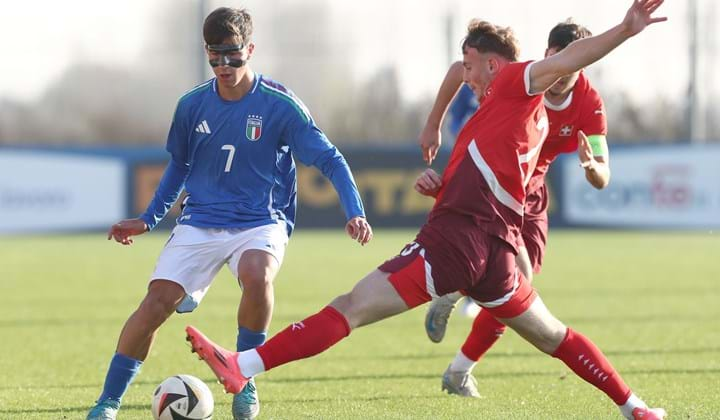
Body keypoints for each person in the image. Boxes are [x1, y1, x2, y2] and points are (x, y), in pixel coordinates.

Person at [185, 1, 667, 418]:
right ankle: (634, 407)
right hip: (495, 253)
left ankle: (242, 365)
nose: (467, 76)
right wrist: (443, 182)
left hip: (454, 243)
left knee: (351, 308)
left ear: (495, 65)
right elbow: (494, 175)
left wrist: (625, 28)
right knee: (555, 337)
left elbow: (566, 60)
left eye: (471, 66)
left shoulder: (518, 83)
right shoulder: (516, 113)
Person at [86, 7, 372, 420]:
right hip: (199, 219)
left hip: (260, 220)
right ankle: (107, 402)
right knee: (155, 305)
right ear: (206, 52)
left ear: (250, 49)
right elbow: (178, 167)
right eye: (215, 56)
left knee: (258, 274)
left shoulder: (280, 105)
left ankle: (244, 381)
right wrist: (148, 219)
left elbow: (330, 159)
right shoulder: (190, 106)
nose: (223, 65)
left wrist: (355, 211)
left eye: (233, 55)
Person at [420, 19, 612, 398]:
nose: (557, 70)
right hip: (493, 184)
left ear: (582, 63)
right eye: (552, 58)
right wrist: (433, 124)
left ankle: (460, 368)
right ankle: (458, 296)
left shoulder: (589, 104)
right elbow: (460, 70)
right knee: (514, 278)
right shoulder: (529, 78)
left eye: (568, 62)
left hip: (532, 195)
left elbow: (604, 175)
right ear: (546, 56)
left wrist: (591, 167)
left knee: (518, 287)